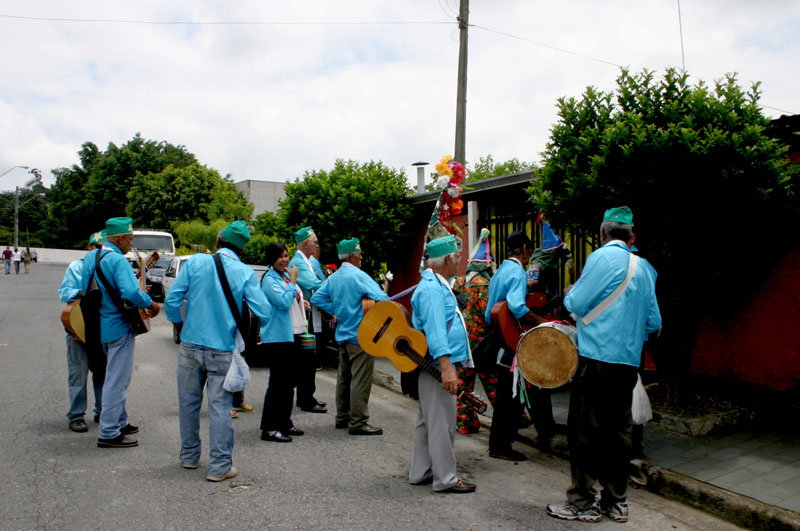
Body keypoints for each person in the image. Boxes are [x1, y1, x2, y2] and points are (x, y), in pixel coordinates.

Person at [546, 207, 661, 523]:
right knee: (618, 434)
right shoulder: (646, 269)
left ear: (602, 233)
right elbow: (654, 322)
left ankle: (583, 501)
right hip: (628, 365)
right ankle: (616, 501)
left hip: (596, 359)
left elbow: (574, 303)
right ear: (631, 236)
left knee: (585, 433)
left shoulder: (600, 258)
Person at [165, 221, 270, 481]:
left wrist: (179, 324)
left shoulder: (196, 263)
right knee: (220, 408)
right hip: (221, 350)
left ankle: (189, 457)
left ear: (218, 242)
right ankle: (219, 466)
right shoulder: (244, 272)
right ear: (242, 250)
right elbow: (264, 311)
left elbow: (172, 300)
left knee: (188, 405)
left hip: (189, 345)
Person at [80, 217, 160, 449]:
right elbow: (130, 293)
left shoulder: (89, 258)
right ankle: (109, 432)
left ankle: (120, 421)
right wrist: (151, 303)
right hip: (118, 326)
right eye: (130, 239)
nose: (131, 244)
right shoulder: (117, 260)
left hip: (97, 325)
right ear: (121, 238)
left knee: (110, 376)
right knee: (117, 380)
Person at [408, 234, 476, 493]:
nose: (460, 261)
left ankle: (421, 471)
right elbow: (436, 331)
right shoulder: (433, 289)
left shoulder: (434, 284)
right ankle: (445, 478)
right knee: (442, 423)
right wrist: (447, 368)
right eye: (457, 256)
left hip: (434, 363)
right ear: (447, 258)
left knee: (428, 420)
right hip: (438, 364)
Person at [311, 237, 387, 435]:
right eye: (360, 253)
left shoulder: (334, 277)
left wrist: (335, 308)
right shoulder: (359, 276)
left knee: (344, 378)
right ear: (352, 256)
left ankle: (342, 417)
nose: (361, 257)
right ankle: (358, 421)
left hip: (342, 334)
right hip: (361, 335)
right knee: (360, 380)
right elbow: (382, 298)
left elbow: (316, 298)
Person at [483, 230, 542, 461]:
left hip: (498, 337)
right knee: (513, 396)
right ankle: (501, 446)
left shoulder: (499, 271)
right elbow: (517, 307)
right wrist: (539, 320)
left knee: (506, 394)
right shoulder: (518, 271)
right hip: (510, 343)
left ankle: (498, 444)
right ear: (526, 249)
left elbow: (490, 313)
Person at [258, 242, 310, 443]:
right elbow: (281, 302)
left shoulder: (286, 276)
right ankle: (270, 428)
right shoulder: (269, 280)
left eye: (286, 255)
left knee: (289, 383)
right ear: (272, 259)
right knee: (278, 384)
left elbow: (292, 298)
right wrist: (293, 283)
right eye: (280, 256)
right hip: (278, 337)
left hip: (294, 334)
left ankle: (285, 422)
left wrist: (301, 300)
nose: (285, 260)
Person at [58, 230, 107, 432]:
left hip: (103, 328)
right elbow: (64, 292)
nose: (99, 251)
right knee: (78, 374)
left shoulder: (109, 266)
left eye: (102, 248)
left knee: (102, 373)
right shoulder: (76, 266)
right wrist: (85, 291)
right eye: (96, 247)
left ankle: (102, 411)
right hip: (79, 328)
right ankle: (76, 415)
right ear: (89, 247)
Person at [451, 229, 498, 434]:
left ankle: (465, 422)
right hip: (481, 344)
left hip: (462, 341)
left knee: (464, 384)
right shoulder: (484, 285)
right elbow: (489, 315)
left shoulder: (459, 282)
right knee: (493, 383)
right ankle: (512, 420)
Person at [289, 226, 327, 413]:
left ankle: (306, 397)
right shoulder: (299, 262)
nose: (317, 245)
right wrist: (331, 285)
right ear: (305, 244)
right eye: (315, 242)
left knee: (309, 358)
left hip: (310, 313)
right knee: (307, 359)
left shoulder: (307, 261)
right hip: (305, 315)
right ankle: (306, 399)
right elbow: (314, 284)